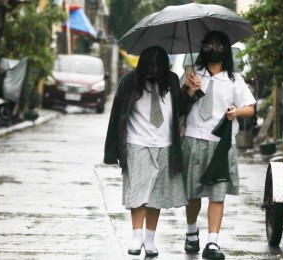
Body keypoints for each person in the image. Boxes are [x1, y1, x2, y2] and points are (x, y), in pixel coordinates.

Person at [104, 46, 189, 257]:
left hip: (165, 145)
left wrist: (190, 90)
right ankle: (136, 237)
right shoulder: (129, 81)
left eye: (157, 66)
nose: (153, 70)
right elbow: (116, 115)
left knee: (156, 197)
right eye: (149, 65)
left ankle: (150, 240)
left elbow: (181, 109)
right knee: (139, 193)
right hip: (136, 143)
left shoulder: (170, 80)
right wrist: (111, 151)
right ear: (142, 65)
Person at [182, 31, 256, 259]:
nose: (213, 49)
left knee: (217, 194)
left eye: (218, 45)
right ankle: (192, 233)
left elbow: (250, 107)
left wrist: (237, 112)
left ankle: (212, 243)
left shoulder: (235, 80)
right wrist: (189, 90)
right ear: (202, 48)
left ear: (225, 49)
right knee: (192, 193)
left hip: (221, 144)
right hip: (194, 140)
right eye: (208, 45)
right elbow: (178, 106)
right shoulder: (192, 75)